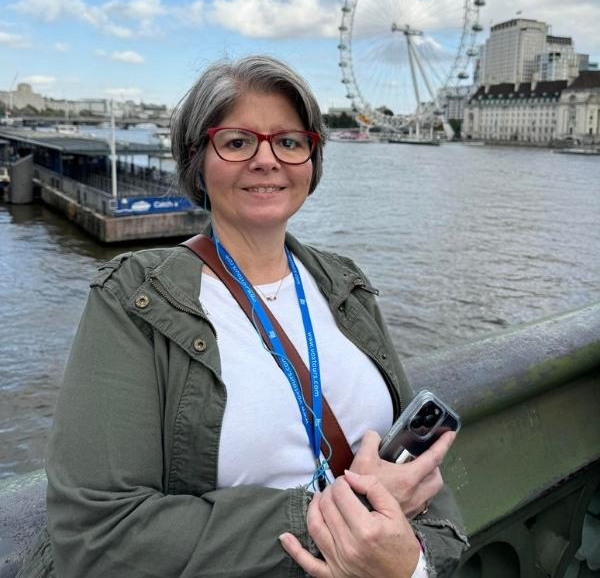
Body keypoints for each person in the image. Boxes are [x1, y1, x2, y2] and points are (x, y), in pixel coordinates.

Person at [20, 55, 468, 578]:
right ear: (197, 162)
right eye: (237, 142)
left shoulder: (346, 284)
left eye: (290, 141)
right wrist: (330, 523)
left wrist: (412, 565)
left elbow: (421, 494)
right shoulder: (135, 297)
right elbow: (99, 535)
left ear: (311, 161)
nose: (267, 159)